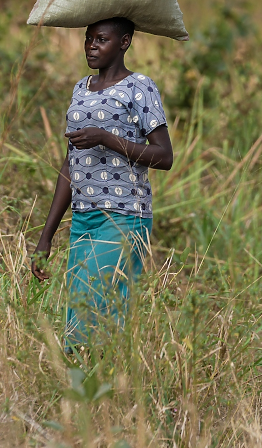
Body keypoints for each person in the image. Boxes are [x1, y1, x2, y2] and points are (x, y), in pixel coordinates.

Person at [30, 17, 173, 349]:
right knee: (80, 310)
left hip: (123, 216)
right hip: (84, 218)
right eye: (88, 38)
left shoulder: (140, 86)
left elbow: (164, 156)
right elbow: (70, 163)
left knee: (93, 306)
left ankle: (96, 385)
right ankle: (90, 392)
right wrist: (46, 237)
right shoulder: (82, 88)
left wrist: (106, 138)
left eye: (102, 40)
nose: (92, 46)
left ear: (124, 43)